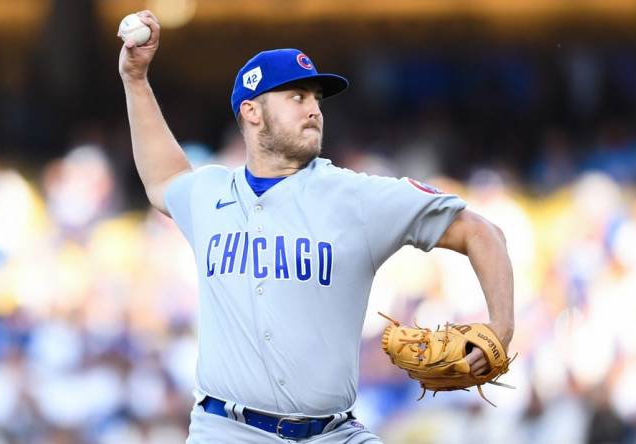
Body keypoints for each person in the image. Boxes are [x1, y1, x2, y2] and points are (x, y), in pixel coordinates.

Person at [119, 10, 514, 443]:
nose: (313, 110)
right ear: (251, 111)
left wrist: (501, 328)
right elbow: (163, 178)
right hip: (228, 431)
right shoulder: (210, 194)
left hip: (333, 433)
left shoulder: (357, 197)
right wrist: (136, 80)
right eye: (297, 97)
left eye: (316, 99)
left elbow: (481, 232)